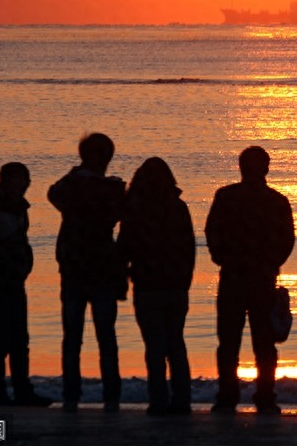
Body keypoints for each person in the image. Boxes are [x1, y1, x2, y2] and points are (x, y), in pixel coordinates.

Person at [205, 146, 295, 414]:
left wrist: (223, 258)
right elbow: (287, 239)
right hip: (257, 278)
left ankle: (230, 396)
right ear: (266, 168)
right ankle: (263, 396)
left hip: (238, 277)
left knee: (231, 343)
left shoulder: (227, 197)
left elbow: (213, 232)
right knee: (262, 344)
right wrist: (271, 263)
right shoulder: (275, 201)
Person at [48, 133, 127, 413]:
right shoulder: (111, 189)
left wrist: (78, 173)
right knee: (105, 336)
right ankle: (110, 395)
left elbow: (54, 193)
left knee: (74, 337)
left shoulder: (73, 186)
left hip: (77, 268)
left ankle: (73, 394)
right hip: (99, 268)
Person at [119, 157, 196, 416]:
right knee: (175, 343)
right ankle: (182, 400)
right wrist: (185, 281)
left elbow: (124, 247)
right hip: (174, 286)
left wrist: (123, 276)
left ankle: (159, 400)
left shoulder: (136, 209)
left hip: (147, 285)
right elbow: (189, 248)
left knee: (155, 346)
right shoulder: (178, 207)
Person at [0, 162, 52, 407]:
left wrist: (21, 265)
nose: (25, 184)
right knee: (2, 338)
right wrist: (7, 265)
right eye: (20, 179)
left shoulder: (15, 205)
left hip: (13, 280)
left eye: (26, 179)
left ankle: (20, 391)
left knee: (18, 338)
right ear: (6, 180)